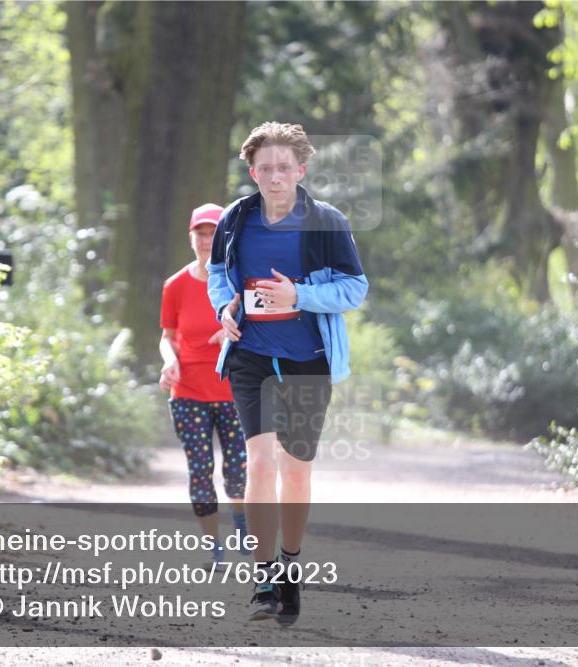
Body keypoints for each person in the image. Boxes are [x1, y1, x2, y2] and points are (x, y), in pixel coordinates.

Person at [207, 122, 368, 625]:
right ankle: (263, 579)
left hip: (306, 359)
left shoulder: (327, 222)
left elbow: (355, 289)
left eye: (284, 168)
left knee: (295, 468)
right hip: (251, 356)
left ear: (301, 169)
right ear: (253, 172)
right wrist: (224, 310)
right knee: (258, 464)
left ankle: (291, 570)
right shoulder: (235, 219)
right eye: (265, 169)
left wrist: (299, 296)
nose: (275, 177)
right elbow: (218, 277)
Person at [160, 204, 249, 565]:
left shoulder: (238, 282)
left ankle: (242, 522)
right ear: (191, 237)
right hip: (189, 393)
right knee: (199, 469)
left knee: (237, 468)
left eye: (213, 232)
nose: (206, 239)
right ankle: (214, 545)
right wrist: (170, 361)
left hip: (233, 389)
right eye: (200, 232)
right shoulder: (175, 286)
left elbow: (259, 326)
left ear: (224, 237)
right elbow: (167, 335)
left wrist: (228, 332)